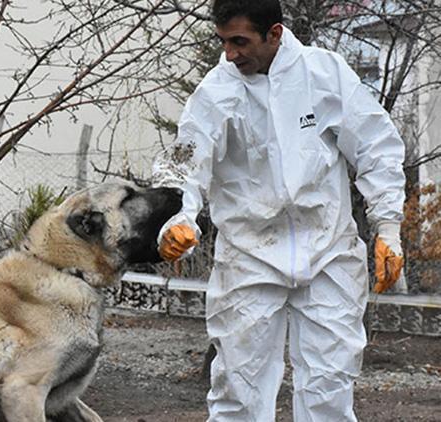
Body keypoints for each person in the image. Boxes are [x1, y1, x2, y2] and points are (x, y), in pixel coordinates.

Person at [152, 0, 406, 420]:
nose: (231, 54)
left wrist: (389, 227)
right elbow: (186, 162)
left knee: (330, 385)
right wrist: (180, 217)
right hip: (249, 257)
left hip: (328, 252)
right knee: (238, 388)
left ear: (274, 33)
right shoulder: (217, 91)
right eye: (223, 42)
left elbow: (376, 146)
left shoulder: (324, 74)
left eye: (240, 41)